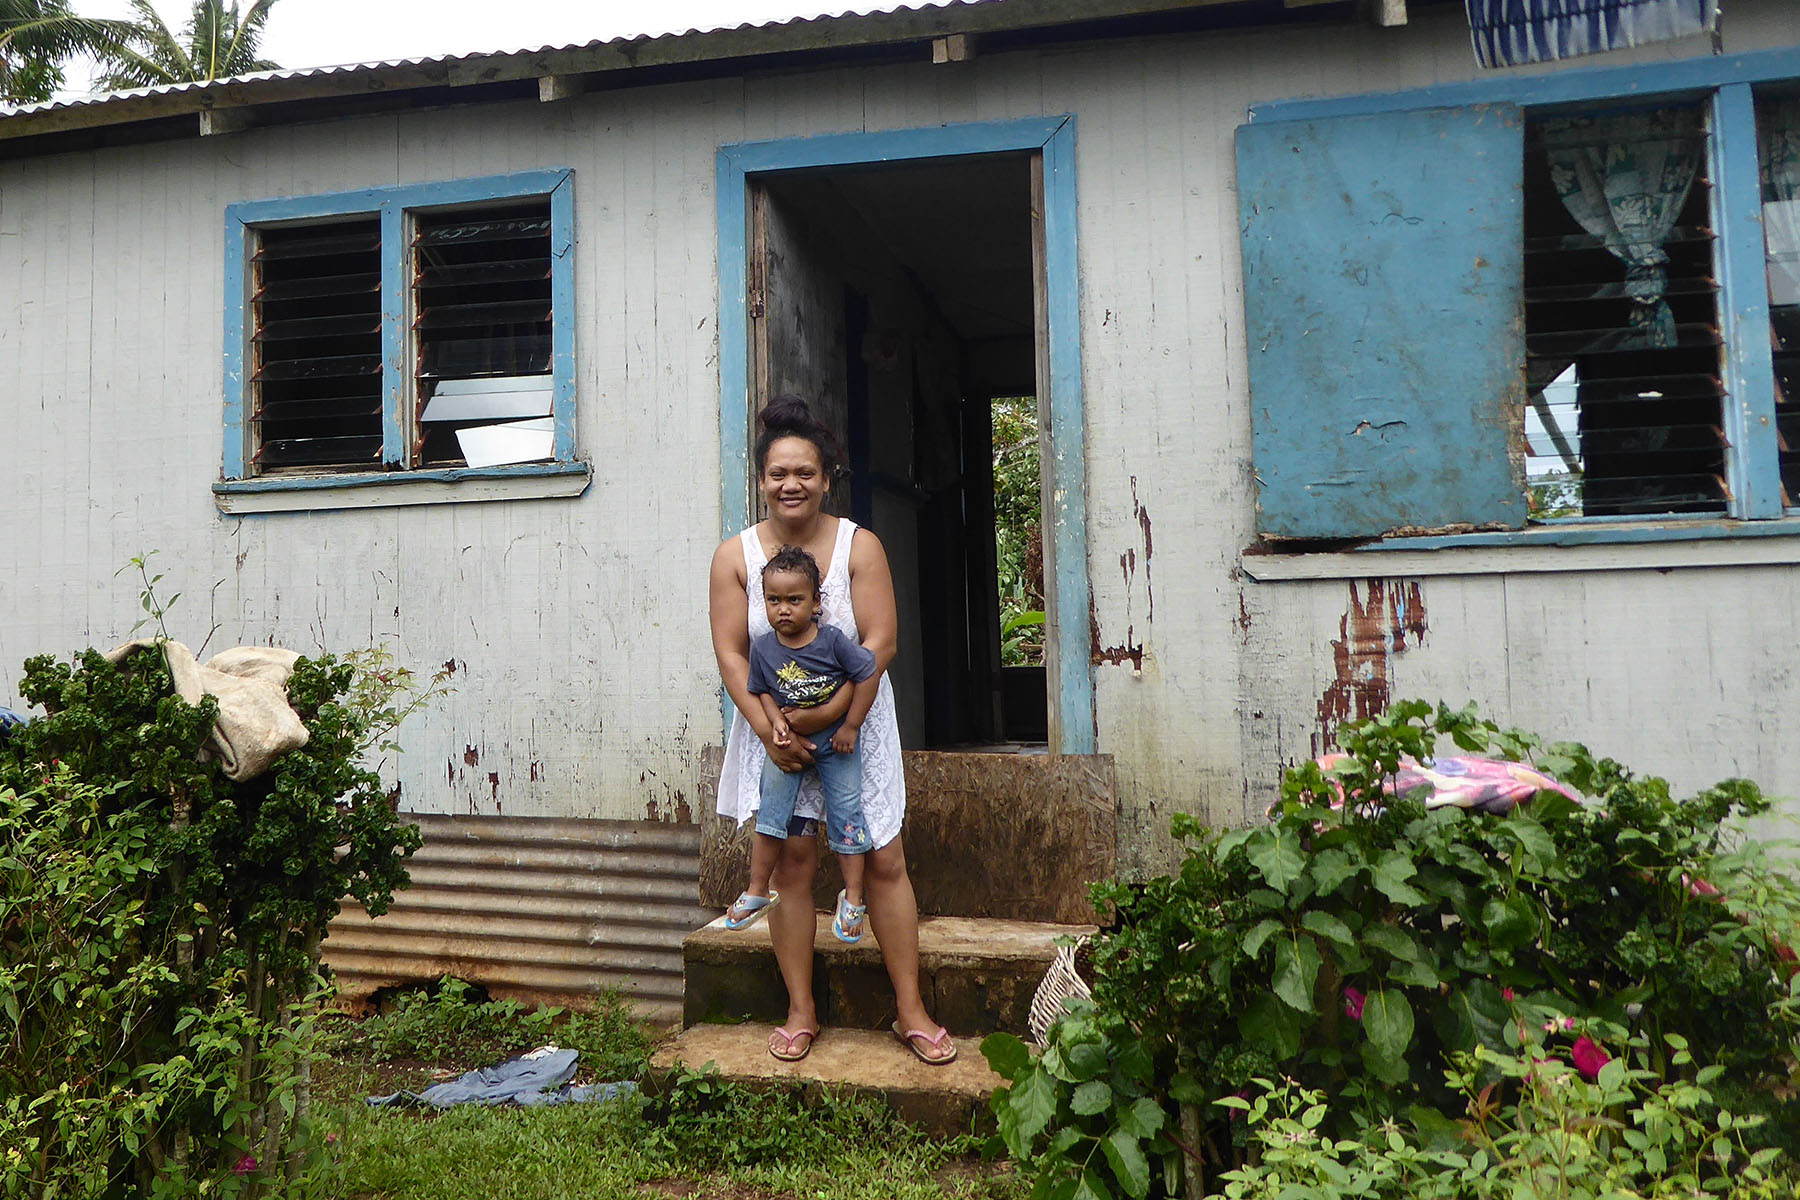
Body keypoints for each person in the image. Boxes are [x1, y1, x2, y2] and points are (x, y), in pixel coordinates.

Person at [710, 394, 957, 1066]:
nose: (790, 484)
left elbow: (881, 643)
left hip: (855, 726)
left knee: (883, 858)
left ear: (826, 479)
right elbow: (732, 654)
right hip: (774, 731)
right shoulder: (735, 557)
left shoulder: (859, 546)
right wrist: (771, 730)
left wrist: (828, 716)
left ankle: (910, 1010)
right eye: (777, 473)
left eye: (805, 473)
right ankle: (800, 1010)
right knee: (792, 862)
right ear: (761, 480)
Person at [723, 545, 878, 944]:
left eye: (795, 600)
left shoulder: (833, 641)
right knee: (771, 814)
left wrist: (851, 726)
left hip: (835, 744)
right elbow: (761, 690)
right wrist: (776, 724)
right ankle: (757, 889)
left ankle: (853, 897)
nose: (784, 610)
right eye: (774, 600)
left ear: (816, 602)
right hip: (787, 746)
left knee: (847, 812)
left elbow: (866, 673)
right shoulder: (763, 648)